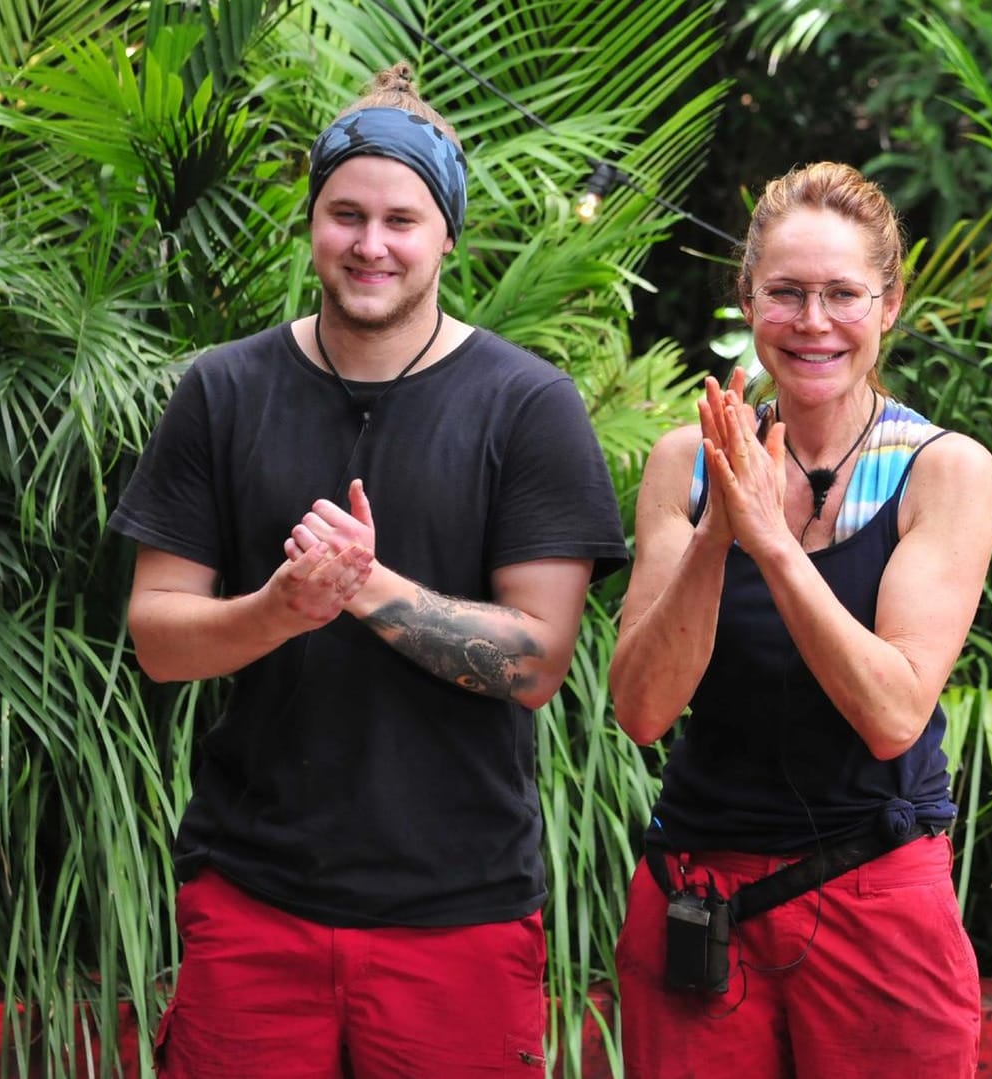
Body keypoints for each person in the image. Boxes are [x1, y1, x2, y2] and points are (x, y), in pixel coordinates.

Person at [109, 63, 629, 1076]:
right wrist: (279, 607)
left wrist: (366, 588)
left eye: (402, 218)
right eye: (346, 213)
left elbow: (534, 663)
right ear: (312, 222)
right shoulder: (223, 391)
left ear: (448, 235)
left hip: (459, 913)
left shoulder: (528, 406)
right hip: (254, 900)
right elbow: (158, 638)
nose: (371, 243)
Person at [608, 161, 992, 1078]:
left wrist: (773, 545)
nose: (813, 322)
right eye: (785, 294)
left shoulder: (945, 471)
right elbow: (642, 710)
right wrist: (717, 532)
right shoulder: (687, 461)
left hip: (876, 893)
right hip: (699, 890)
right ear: (748, 300)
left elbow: (892, 712)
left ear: (889, 304)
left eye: (841, 295)